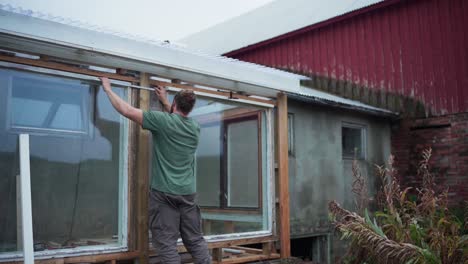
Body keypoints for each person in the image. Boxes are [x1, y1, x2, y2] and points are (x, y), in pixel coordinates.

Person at [99, 77, 211, 264]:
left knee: (166, 243)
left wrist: (108, 89)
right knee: (195, 239)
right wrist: (166, 101)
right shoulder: (194, 128)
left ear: (175, 104)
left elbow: (126, 110)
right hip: (188, 194)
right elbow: (177, 116)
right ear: (189, 109)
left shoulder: (161, 121)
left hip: (165, 195)